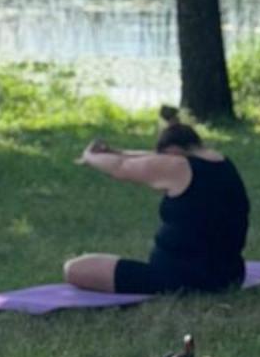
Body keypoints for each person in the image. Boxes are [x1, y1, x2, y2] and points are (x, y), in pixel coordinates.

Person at [64, 114, 249, 295]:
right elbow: (149, 157)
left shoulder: (178, 166)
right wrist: (115, 151)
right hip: (230, 274)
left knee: (74, 269)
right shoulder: (220, 161)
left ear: (174, 151)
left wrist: (89, 156)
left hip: (180, 277)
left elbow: (120, 168)